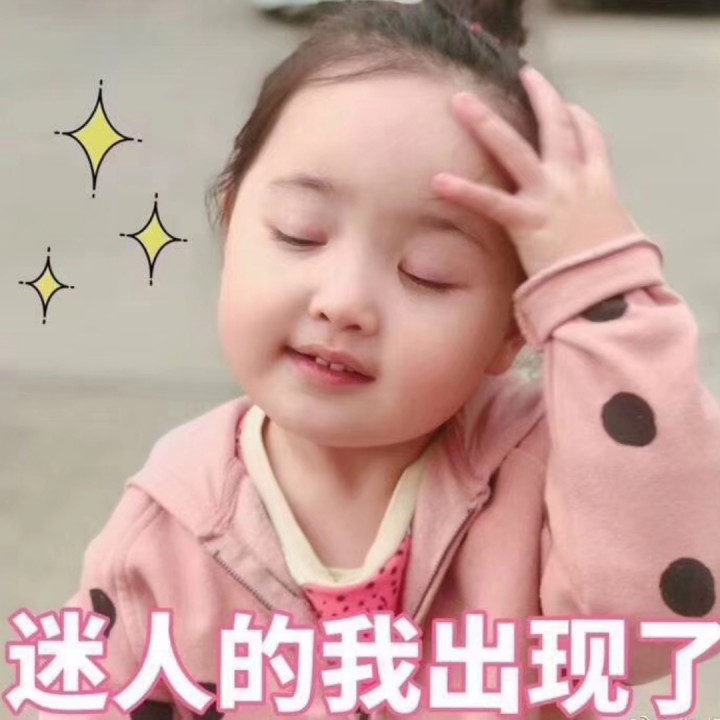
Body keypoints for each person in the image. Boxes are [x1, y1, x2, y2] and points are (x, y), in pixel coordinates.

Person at [31, 0, 720, 718]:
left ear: (513, 328)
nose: (344, 302)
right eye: (300, 234)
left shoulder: (550, 478)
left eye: (428, 273)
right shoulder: (170, 523)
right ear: (231, 221)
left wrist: (600, 288)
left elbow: (659, 626)